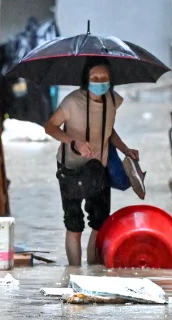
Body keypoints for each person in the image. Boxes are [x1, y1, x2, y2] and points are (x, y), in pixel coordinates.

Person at [44, 57, 139, 266]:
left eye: (104, 77)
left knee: (100, 223)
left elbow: (108, 130)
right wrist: (74, 141)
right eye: (94, 77)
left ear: (110, 79)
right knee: (74, 225)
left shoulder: (113, 101)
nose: (99, 81)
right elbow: (50, 127)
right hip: (71, 170)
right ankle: (74, 274)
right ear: (86, 79)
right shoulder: (71, 102)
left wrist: (126, 149)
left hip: (99, 168)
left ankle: (94, 272)